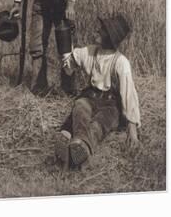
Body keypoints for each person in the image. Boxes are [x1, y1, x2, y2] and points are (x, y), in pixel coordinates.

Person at [53, 14, 141, 170]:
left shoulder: (121, 62)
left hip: (111, 105)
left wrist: (132, 128)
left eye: (103, 30)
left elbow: (128, 95)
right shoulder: (90, 52)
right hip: (90, 97)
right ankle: (74, 144)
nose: (98, 31)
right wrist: (65, 47)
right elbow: (69, 65)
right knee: (80, 108)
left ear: (110, 37)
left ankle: (81, 146)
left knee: (100, 123)